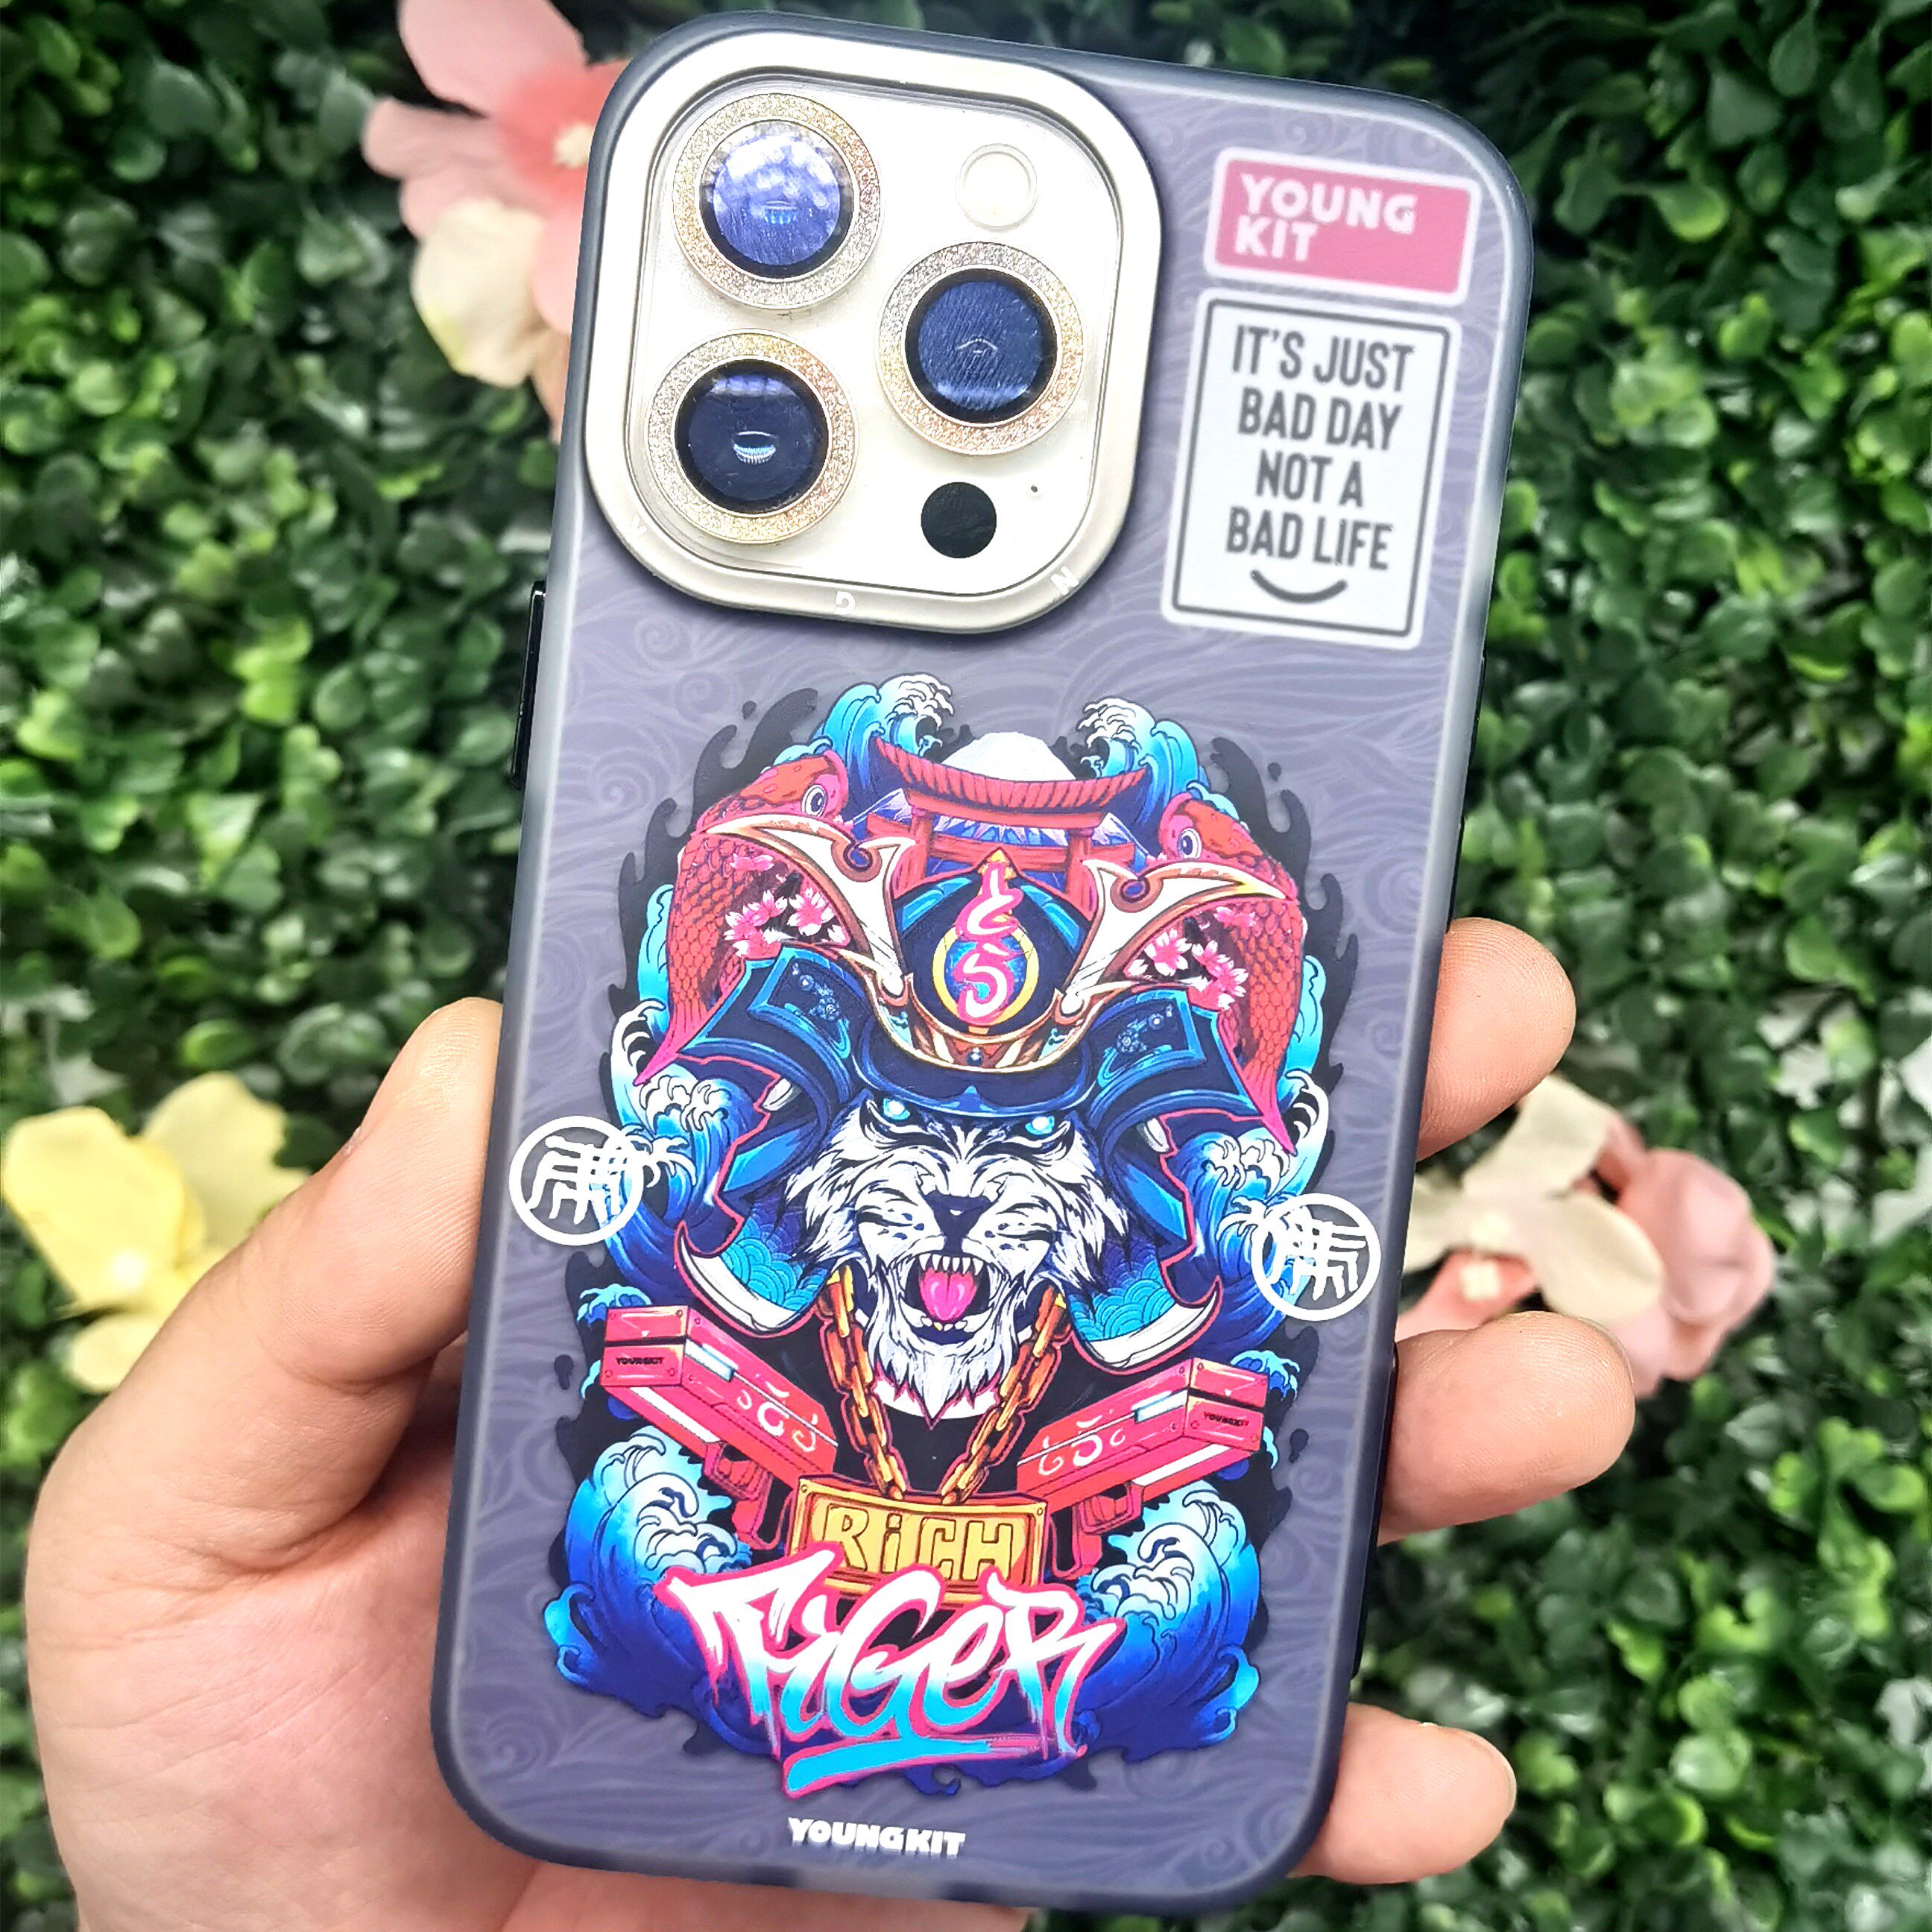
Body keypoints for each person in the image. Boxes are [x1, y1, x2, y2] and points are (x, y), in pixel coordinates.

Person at [24, 920, 1635, 1932]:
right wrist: (649, 1164)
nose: (960, 1185)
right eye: (913, 1132)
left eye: (1023, 1147)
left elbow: (1214, 1208)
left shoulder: (1147, 1307)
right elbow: (693, 1147)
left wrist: (1259, 1227)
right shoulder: (743, 1264)